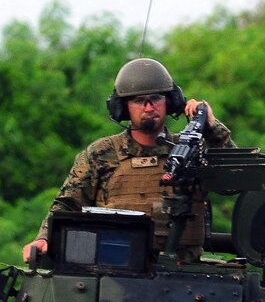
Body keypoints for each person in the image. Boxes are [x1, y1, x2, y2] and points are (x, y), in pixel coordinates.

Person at [22, 58, 235, 262]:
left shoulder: (191, 150)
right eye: (139, 101)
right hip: (118, 275)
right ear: (123, 107)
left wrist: (211, 126)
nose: (149, 107)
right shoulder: (102, 153)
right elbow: (68, 203)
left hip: (185, 275)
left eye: (156, 98)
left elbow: (232, 183)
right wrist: (44, 238)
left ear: (170, 102)